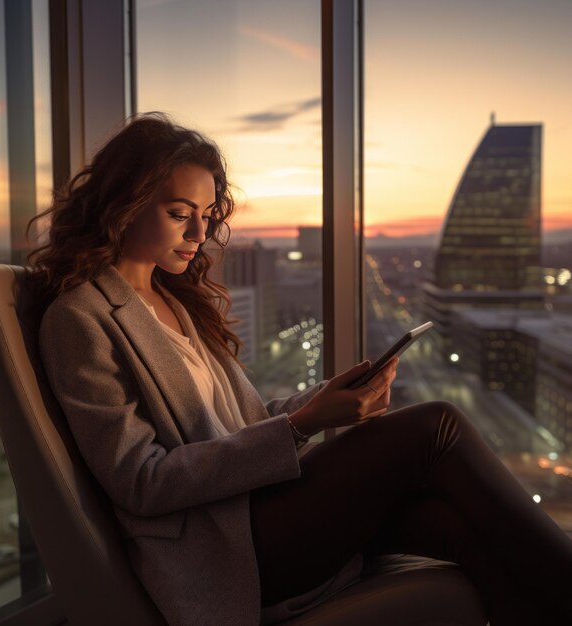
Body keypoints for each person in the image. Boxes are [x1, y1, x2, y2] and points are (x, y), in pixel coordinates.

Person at [28, 113, 572, 626]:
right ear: (123, 204)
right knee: (436, 426)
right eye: (178, 214)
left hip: (260, 516)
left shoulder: (175, 300)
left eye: (206, 214)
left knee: (450, 526)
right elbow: (141, 482)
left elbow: (245, 424)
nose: (199, 234)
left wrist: (316, 402)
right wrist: (302, 426)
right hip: (221, 551)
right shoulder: (81, 318)